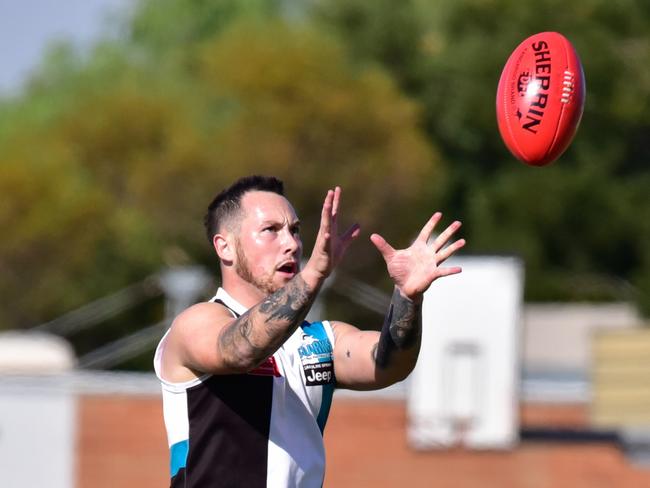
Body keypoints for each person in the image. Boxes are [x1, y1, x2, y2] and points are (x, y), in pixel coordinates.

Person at [154, 175, 465, 487]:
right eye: (271, 230)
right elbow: (240, 350)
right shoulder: (196, 323)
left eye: (294, 230)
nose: (292, 244)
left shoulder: (320, 340)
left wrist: (408, 297)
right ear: (226, 247)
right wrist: (315, 272)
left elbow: (391, 365)